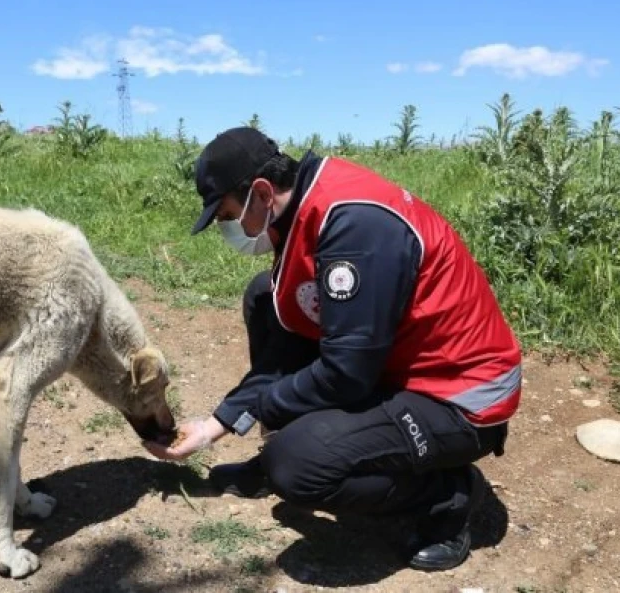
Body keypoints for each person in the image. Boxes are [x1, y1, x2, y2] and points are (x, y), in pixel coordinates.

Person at [143, 126, 522, 572]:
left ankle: (448, 495)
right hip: (393, 365)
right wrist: (216, 425)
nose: (228, 228)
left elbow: (347, 373)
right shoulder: (300, 207)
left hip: (458, 395)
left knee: (298, 467)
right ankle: (284, 455)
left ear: (261, 193)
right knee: (266, 298)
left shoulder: (353, 225)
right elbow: (289, 345)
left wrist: (269, 408)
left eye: (227, 215)